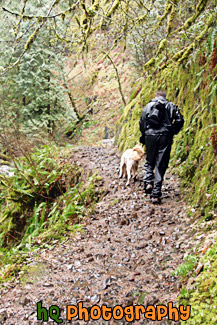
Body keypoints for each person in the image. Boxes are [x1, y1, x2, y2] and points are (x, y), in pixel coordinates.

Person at [139, 90, 184, 204]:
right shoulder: (170, 105)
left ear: (155, 96)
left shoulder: (148, 106)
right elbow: (180, 120)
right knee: (161, 164)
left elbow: (142, 122)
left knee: (149, 161)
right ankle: (156, 194)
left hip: (150, 136)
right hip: (165, 136)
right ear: (165, 97)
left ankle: (148, 182)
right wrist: (173, 130)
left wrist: (144, 135)